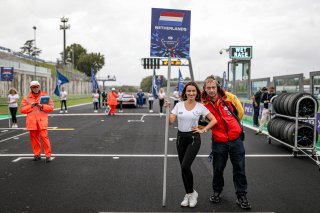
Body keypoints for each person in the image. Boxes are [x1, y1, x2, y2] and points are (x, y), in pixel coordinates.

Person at [201, 75, 251, 209]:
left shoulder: (229, 97)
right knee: (218, 169)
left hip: (236, 140)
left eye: (213, 87)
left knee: (239, 169)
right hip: (218, 141)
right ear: (204, 89)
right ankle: (217, 191)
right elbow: (199, 120)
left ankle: (241, 195)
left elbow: (239, 113)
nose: (211, 90)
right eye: (208, 88)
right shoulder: (202, 103)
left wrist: (233, 128)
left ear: (217, 86)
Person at [165, 82, 217, 208]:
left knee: (185, 165)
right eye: (189, 91)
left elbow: (214, 120)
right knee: (183, 169)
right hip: (180, 138)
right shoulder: (178, 105)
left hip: (193, 138)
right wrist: (167, 109)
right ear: (185, 93)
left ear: (197, 93)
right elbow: (171, 122)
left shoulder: (200, 107)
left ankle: (193, 194)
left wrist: (203, 129)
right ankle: (189, 194)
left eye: (194, 91)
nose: (191, 93)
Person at [20, 81, 54, 162]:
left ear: (39, 87)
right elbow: (22, 110)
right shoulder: (27, 98)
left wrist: (41, 106)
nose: (35, 88)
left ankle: (48, 155)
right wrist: (31, 106)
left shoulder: (45, 96)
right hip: (32, 122)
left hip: (42, 121)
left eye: (37, 86)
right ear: (31, 88)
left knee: (44, 137)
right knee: (34, 139)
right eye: (34, 87)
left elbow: (51, 107)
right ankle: (37, 154)